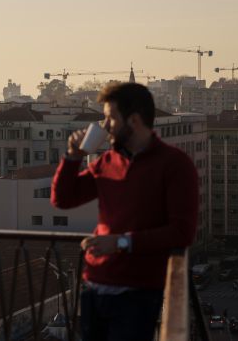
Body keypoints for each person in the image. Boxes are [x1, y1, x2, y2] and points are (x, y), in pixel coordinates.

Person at [51, 82, 199, 341]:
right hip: (94, 285)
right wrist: (72, 157)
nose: (105, 126)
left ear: (134, 120)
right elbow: (63, 199)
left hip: (136, 293)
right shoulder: (108, 161)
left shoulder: (175, 164)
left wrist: (121, 242)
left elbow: (182, 233)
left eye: (110, 118)